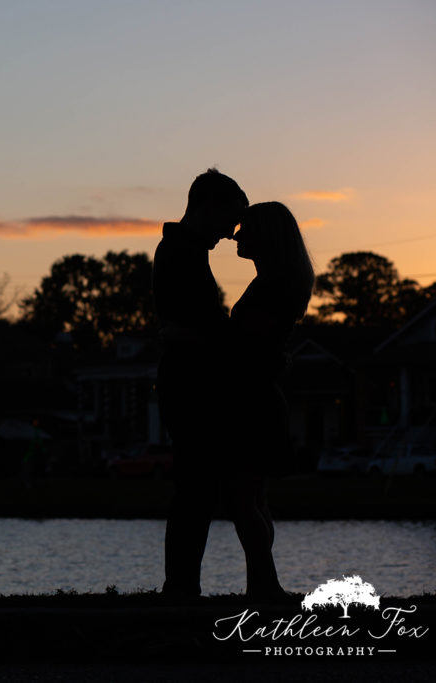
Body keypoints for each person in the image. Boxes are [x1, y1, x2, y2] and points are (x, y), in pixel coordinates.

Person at [153, 168, 247, 598]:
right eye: (230, 219)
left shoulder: (187, 250)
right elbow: (178, 327)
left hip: (191, 383)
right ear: (208, 205)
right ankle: (181, 588)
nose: (231, 233)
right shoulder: (180, 252)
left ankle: (183, 586)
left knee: (198, 488)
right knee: (195, 489)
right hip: (189, 386)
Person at [226, 201, 314, 600]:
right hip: (261, 397)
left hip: (250, 401)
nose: (236, 235)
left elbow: (251, 347)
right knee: (255, 497)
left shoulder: (270, 287)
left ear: (266, 236)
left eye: (246, 229)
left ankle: (265, 585)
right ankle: (260, 584)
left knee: (244, 497)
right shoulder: (281, 282)